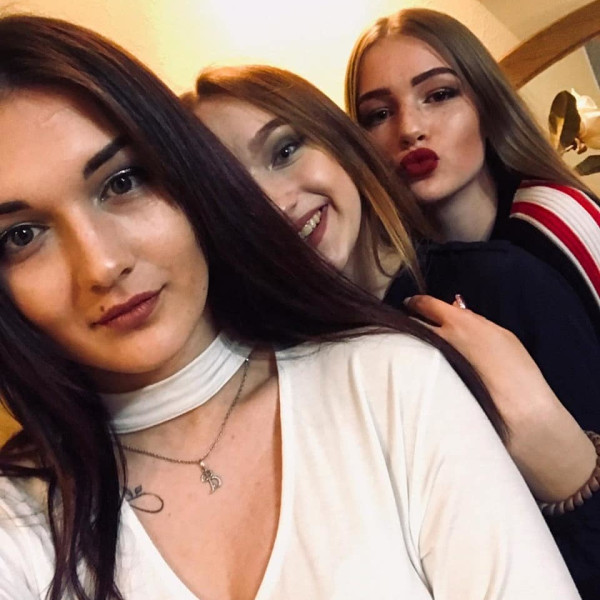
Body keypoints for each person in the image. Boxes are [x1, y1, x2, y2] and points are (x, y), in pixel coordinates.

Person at [0, 14, 581, 600]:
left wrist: (576, 473)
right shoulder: (19, 524)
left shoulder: (416, 355)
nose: (101, 265)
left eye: (123, 181)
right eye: (21, 236)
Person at [187, 64, 600, 597]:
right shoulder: (270, 376)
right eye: (231, 195)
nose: (276, 203)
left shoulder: (502, 284)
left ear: (340, 143)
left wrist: (572, 476)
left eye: (284, 151)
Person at [345, 7, 600, 340]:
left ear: (486, 103)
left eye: (439, 95)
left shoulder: (557, 217)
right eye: (379, 114)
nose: (409, 129)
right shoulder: (389, 274)